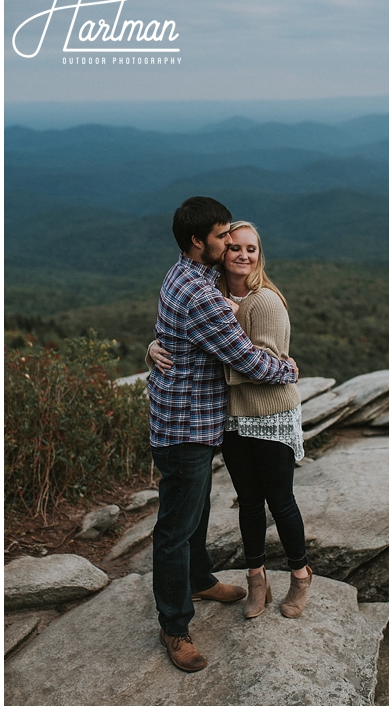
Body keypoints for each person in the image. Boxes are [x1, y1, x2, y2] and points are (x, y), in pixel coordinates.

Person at [148, 197, 299, 673]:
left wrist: (155, 344)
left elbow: (171, 332)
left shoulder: (183, 273)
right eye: (222, 238)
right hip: (186, 427)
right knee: (175, 528)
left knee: (196, 512)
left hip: (187, 419)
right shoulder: (202, 295)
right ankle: (175, 627)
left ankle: (198, 579)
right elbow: (248, 360)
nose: (231, 244)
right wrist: (288, 369)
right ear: (200, 242)